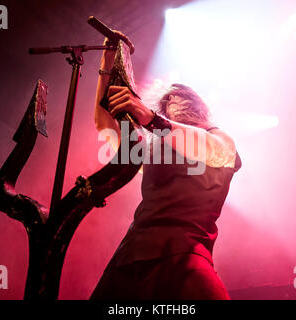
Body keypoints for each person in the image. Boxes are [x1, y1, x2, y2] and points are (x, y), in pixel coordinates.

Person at [90, 33, 241, 300]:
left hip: (184, 256)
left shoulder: (217, 137)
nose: (172, 99)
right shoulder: (157, 149)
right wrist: (109, 59)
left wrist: (152, 120)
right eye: (168, 99)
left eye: (180, 95)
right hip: (131, 256)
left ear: (200, 107)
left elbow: (216, 151)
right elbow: (105, 124)